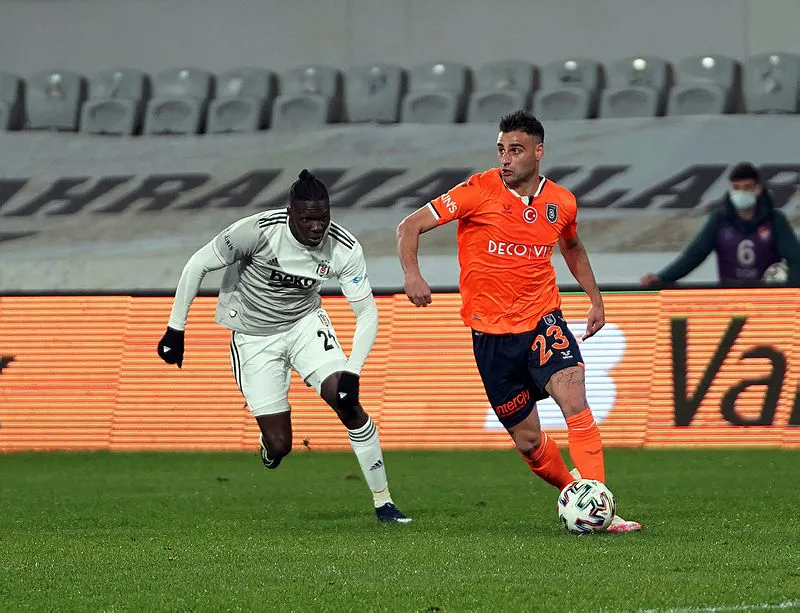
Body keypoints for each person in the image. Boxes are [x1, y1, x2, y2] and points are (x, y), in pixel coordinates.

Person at [396, 109, 640, 533]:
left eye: (515, 150)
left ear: (538, 152)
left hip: (543, 320)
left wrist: (595, 299)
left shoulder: (562, 202)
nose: (505, 159)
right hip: (491, 337)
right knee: (528, 441)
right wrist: (412, 274)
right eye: (501, 150)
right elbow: (409, 226)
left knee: (575, 400)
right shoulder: (477, 191)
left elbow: (572, 247)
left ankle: (601, 508)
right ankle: (575, 493)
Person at [157, 169, 411, 524]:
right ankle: (270, 447)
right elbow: (198, 264)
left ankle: (384, 503)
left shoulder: (344, 247)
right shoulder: (256, 231)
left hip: (305, 325)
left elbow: (367, 312)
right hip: (254, 336)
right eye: (307, 219)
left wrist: (353, 372)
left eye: (322, 218)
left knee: (347, 402)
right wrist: (175, 329)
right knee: (280, 444)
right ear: (290, 212)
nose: (316, 228)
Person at [640, 162, 800, 288]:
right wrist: (662, 278)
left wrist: (791, 290)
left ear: (758, 189)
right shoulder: (719, 220)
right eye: (736, 188)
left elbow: (796, 259)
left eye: (747, 187)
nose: (741, 193)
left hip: (766, 299)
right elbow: (694, 255)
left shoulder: (775, 220)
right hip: (729, 297)